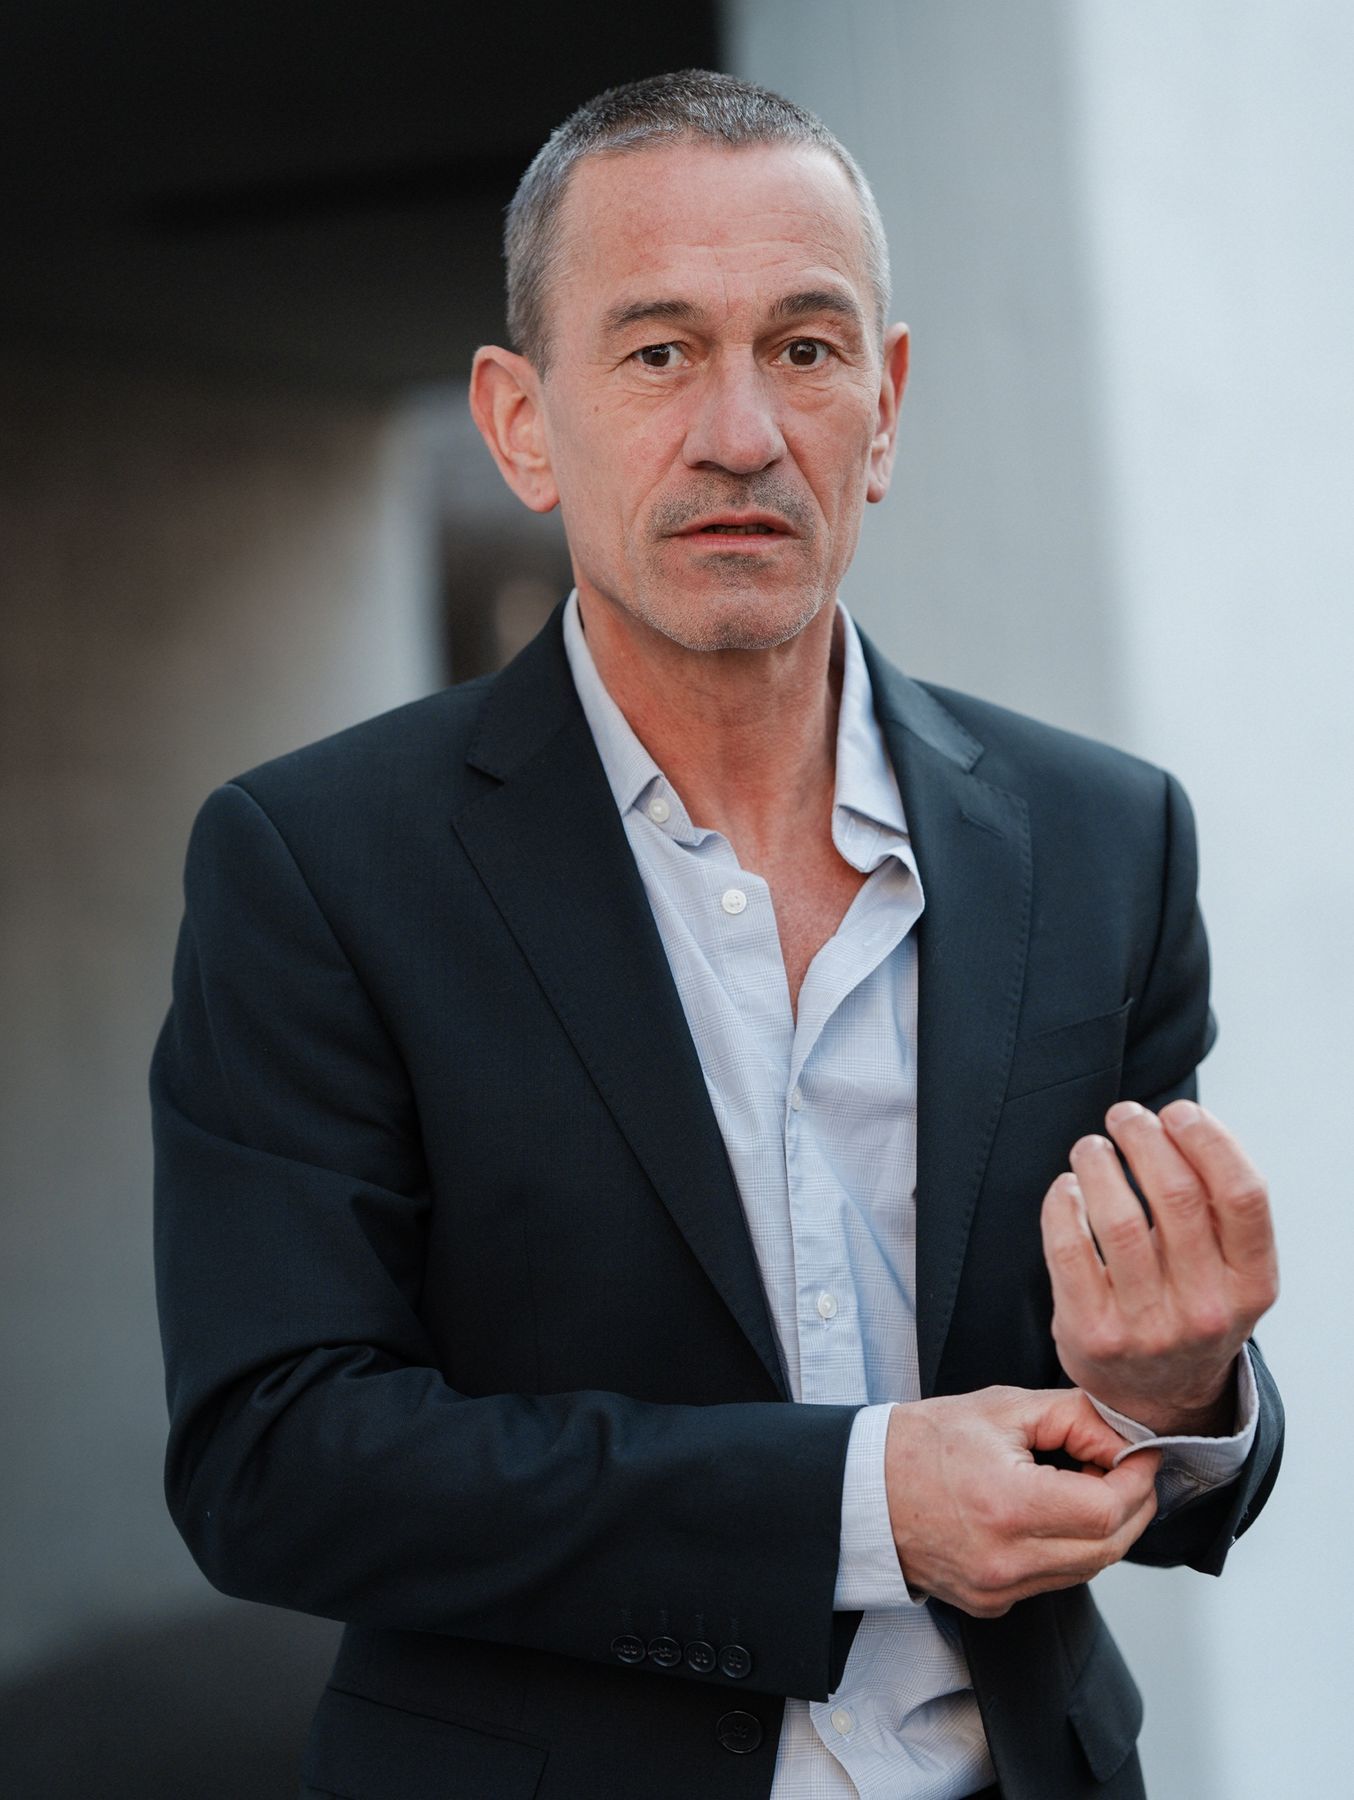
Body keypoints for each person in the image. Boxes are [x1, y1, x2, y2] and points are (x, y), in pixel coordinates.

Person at [151, 70, 1282, 1800]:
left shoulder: (1103, 838)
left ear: (883, 410)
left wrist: (1179, 1389)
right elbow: (273, 1460)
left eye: (805, 349)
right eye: (660, 351)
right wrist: (856, 1504)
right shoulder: (315, 863)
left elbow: (1154, 1438)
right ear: (521, 423)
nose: (741, 431)